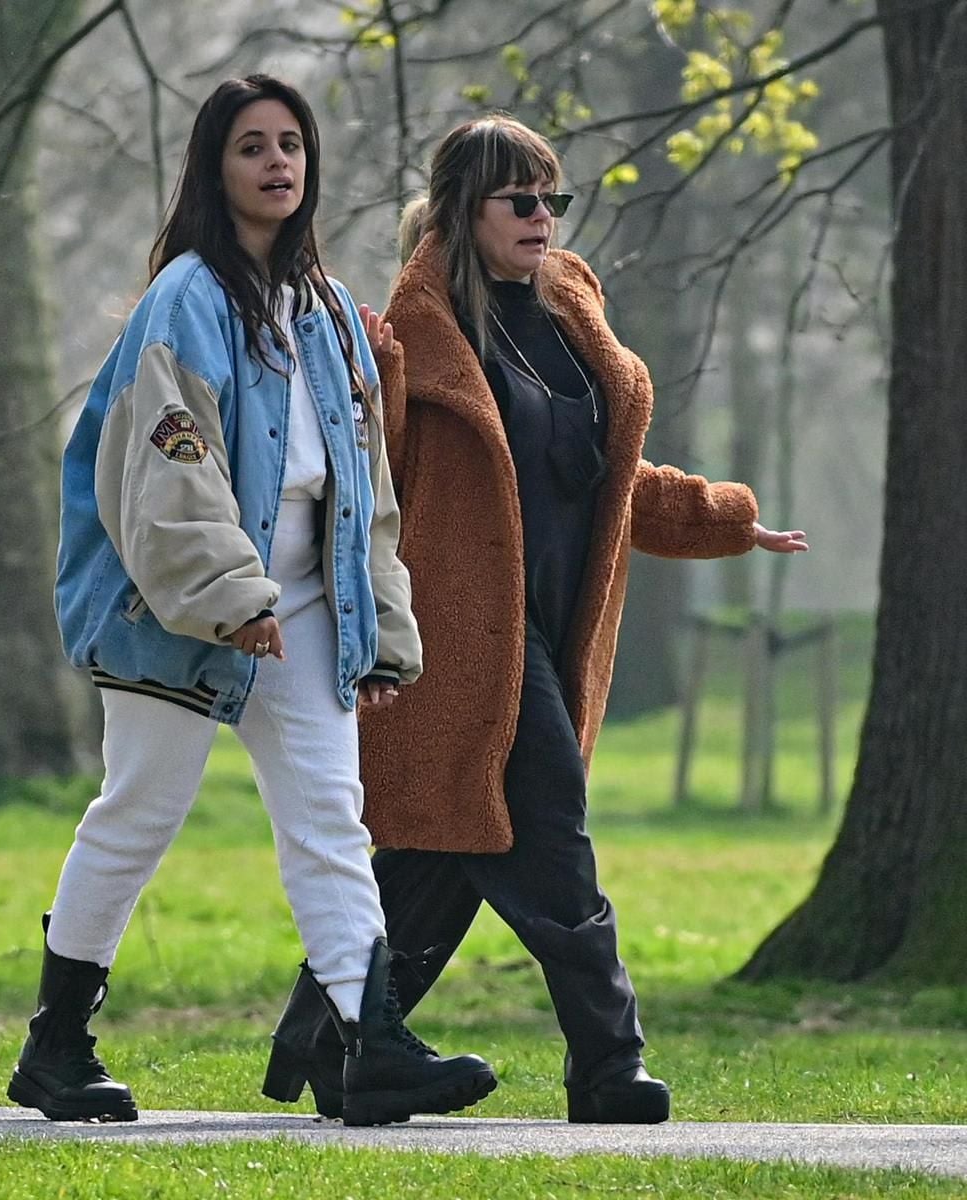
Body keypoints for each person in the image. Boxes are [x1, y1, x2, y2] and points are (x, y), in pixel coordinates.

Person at [262, 114, 808, 1125]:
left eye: (552, 197)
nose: (543, 216)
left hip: (550, 639)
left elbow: (599, 484)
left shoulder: (566, 312)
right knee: (551, 832)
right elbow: (366, 476)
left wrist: (727, 520)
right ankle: (609, 1064)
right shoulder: (412, 336)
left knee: (441, 853)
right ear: (467, 209)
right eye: (522, 198)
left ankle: (326, 1037)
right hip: (462, 648)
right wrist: (375, 386)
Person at [6, 76, 497, 1128]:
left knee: (329, 814)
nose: (278, 162)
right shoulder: (186, 296)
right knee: (140, 811)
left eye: (292, 144)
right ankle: (55, 1047)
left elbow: (364, 485)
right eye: (252, 147)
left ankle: (376, 1045)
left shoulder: (324, 311)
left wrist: (379, 628)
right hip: (172, 610)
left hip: (308, 602)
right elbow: (169, 461)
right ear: (213, 170)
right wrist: (229, 599)